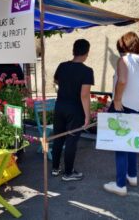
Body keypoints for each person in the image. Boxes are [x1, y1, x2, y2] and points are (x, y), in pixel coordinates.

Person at [103, 32, 139, 196]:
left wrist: (117, 99)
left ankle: (120, 185)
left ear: (122, 46)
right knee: (132, 144)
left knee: (121, 146)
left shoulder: (124, 60)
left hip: (125, 107)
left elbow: (122, 80)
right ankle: (132, 175)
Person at [51, 39, 94, 181]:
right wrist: (87, 116)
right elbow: (84, 95)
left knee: (58, 137)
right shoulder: (87, 71)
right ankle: (68, 173)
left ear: (73, 50)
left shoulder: (62, 66)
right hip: (75, 109)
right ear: (86, 53)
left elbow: (56, 80)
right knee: (71, 141)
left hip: (60, 106)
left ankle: (55, 168)